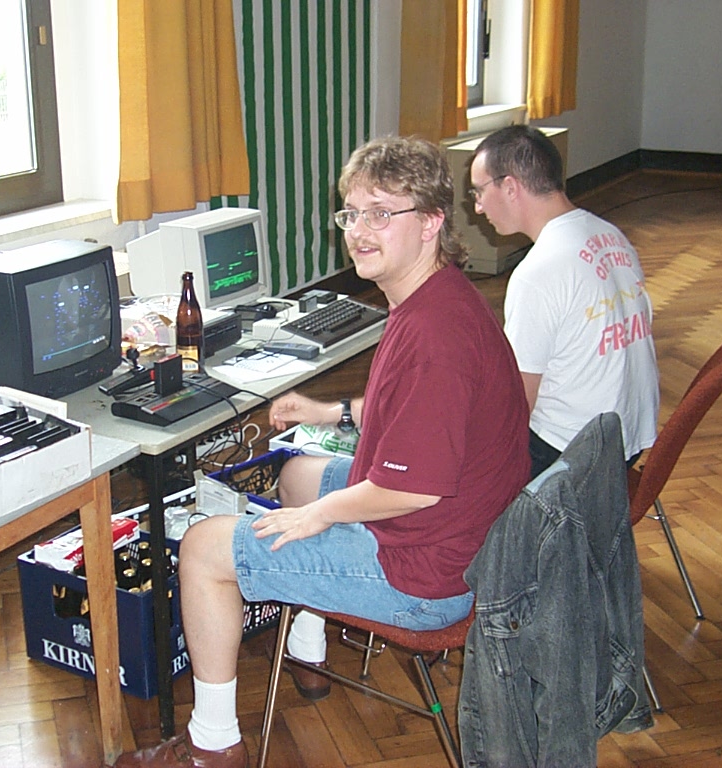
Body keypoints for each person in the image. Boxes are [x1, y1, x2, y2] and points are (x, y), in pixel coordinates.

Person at [114, 135, 530, 768]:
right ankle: (308, 650)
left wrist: (319, 517)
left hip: (427, 575)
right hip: (465, 535)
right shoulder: (436, 298)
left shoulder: (434, 339)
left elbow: (414, 487)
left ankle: (212, 746)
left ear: (431, 222)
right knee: (299, 474)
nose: (359, 231)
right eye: (352, 213)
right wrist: (328, 412)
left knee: (202, 549)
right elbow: (413, 417)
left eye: (381, 213)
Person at [468, 125, 660, 479]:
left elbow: (516, 407)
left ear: (509, 187)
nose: (478, 208)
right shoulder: (609, 234)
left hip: (574, 456)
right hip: (627, 438)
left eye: (479, 191)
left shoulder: (538, 272)